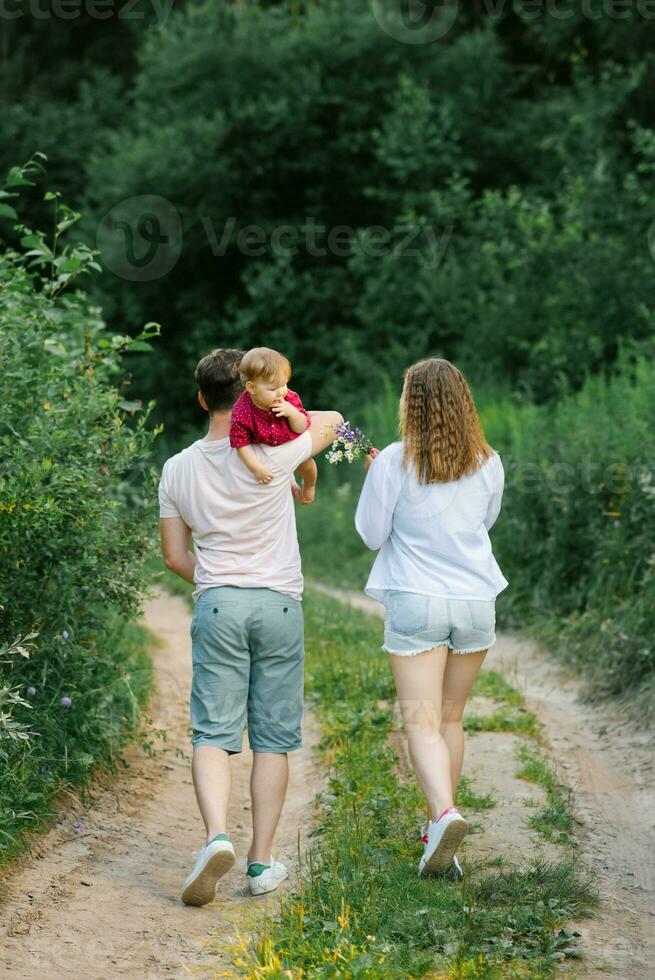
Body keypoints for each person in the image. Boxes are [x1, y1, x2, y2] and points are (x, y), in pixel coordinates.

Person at [158, 348, 342, 903]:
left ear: (200, 399)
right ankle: (261, 863)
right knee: (272, 739)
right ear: (244, 392)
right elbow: (332, 426)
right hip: (280, 603)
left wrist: (215, 585)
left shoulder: (177, 468)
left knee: (213, 732)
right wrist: (290, 407)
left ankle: (216, 837)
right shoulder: (277, 452)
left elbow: (173, 556)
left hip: (218, 602)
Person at [354, 357, 508, 879]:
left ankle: (444, 814)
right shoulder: (489, 461)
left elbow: (372, 535)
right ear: (463, 401)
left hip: (418, 600)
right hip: (474, 601)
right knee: (450, 720)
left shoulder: (394, 461)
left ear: (409, 403)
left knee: (419, 723)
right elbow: (484, 523)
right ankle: (436, 832)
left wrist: (376, 475)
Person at [230, 346, 314, 490]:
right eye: (273, 389)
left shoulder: (289, 398)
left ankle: (309, 486)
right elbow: (240, 443)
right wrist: (256, 468)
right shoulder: (242, 411)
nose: (280, 392)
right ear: (251, 388)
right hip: (266, 449)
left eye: (284, 384)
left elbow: (301, 427)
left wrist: (292, 412)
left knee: (308, 466)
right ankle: (290, 479)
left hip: (291, 442)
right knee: (276, 476)